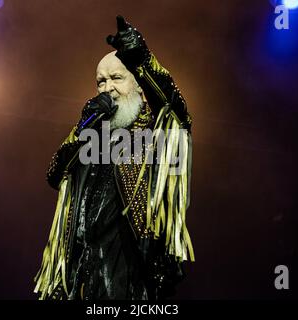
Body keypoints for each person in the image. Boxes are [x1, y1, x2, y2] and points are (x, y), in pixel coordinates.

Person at [34, 16, 194, 300]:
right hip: (84, 272)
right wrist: (84, 125)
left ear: (140, 87)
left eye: (117, 78)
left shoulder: (157, 130)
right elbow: (54, 174)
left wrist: (141, 58)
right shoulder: (92, 133)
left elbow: (174, 106)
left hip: (134, 273)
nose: (107, 87)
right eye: (100, 81)